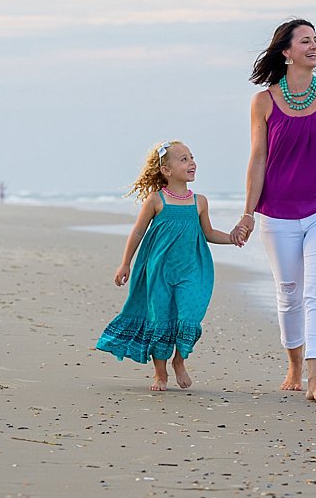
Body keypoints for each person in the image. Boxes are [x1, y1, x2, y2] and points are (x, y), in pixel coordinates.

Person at [230, 18, 316, 403]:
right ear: (287, 52)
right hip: (277, 213)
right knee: (289, 292)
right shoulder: (263, 102)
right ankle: (293, 364)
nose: (314, 47)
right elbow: (258, 159)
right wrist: (247, 213)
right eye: (305, 41)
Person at [97, 140, 238, 391]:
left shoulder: (200, 202)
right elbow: (138, 232)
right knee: (160, 319)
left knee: (190, 318)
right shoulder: (156, 200)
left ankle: (179, 361)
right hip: (159, 270)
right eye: (183, 159)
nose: (192, 162)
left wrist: (232, 238)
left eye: (192, 157)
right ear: (167, 170)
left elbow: (208, 233)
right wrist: (125, 263)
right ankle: (160, 374)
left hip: (192, 270)